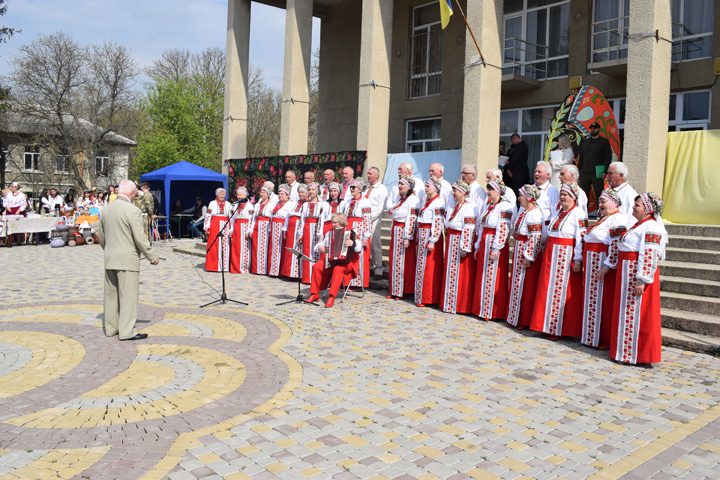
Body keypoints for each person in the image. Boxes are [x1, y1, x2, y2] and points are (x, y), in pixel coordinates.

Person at [607, 193, 667, 365]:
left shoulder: (651, 226)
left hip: (637, 274)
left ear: (648, 210)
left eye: (637, 205)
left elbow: (649, 254)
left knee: (638, 313)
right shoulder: (639, 225)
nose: (633, 207)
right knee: (627, 312)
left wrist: (642, 279)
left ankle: (638, 355)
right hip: (628, 272)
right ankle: (624, 351)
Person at [98, 179, 159, 341]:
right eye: (135, 194)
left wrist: (110, 250)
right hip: (128, 260)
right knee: (128, 297)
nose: (135, 196)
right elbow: (139, 237)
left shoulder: (106, 210)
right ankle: (127, 331)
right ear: (132, 193)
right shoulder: (133, 210)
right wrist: (151, 256)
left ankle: (111, 328)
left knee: (110, 296)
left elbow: (101, 237)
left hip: (110, 258)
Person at [530, 181, 588, 339]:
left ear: (573, 197)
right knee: (547, 288)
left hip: (565, 255)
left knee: (561, 290)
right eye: (561, 194)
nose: (562, 197)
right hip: (551, 253)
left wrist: (577, 259)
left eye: (565, 195)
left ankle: (560, 328)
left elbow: (580, 238)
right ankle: (545, 325)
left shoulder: (579, 213)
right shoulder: (557, 212)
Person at [581, 189, 628, 350]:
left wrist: (607, 266)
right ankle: (591, 336)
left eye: (603, 202)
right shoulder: (604, 218)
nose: (600, 205)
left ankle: (603, 338)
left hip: (601, 262)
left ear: (613, 203)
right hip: (593, 261)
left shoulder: (617, 218)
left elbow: (615, 245)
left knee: (603, 301)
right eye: (599, 202)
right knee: (593, 299)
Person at [472, 180, 513, 321]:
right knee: (483, 275)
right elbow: (482, 226)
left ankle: (492, 311)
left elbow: (504, 227)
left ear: (499, 191)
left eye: (491, 190)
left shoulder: (505, 206)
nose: (488, 192)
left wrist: (497, 246)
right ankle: (481, 308)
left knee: (493, 275)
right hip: (485, 241)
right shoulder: (489, 206)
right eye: (488, 189)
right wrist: (478, 245)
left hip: (495, 243)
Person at [506, 185, 544, 330]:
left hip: (527, 253)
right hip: (520, 249)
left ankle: (524, 319)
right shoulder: (525, 211)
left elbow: (534, 237)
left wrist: (528, 257)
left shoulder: (534, 214)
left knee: (526, 286)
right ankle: (515, 316)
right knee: (518, 283)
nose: (519, 198)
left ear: (528, 197)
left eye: (521, 195)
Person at [305, 213, 362, 308]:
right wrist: (320, 247)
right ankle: (314, 293)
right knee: (316, 266)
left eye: (335, 222)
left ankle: (331, 296)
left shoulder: (352, 232)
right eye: (333, 222)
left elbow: (359, 248)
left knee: (338, 269)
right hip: (332, 261)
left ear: (341, 222)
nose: (333, 224)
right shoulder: (330, 233)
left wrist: (353, 243)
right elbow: (319, 245)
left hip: (348, 262)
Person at [440, 181, 478, 314]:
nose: (453, 193)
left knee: (460, 274)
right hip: (452, 240)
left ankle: (458, 304)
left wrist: (465, 247)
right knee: (451, 271)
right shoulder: (458, 206)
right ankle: (449, 302)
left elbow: (469, 228)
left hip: (459, 241)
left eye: (455, 190)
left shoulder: (469, 207)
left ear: (462, 192)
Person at [414, 177, 445, 308]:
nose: (426, 188)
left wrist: (433, 239)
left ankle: (428, 297)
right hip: (423, 233)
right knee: (422, 265)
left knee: (429, 267)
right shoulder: (427, 201)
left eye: (428, 186)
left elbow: (438, 222)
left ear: (435, 188)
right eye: (426, 186)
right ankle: (420, 295)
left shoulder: (438, 202)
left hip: (430, 235)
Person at [343, 178, 372, 288]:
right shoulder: (348, 202)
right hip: (348, 228)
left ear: (360, 189)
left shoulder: (365, 202)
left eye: (353, 187)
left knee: (358, 254)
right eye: (350, 187)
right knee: (348, 255)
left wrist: (366, 236)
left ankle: (358, 283)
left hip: (359, 229)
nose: (351, 189)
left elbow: (367, 220)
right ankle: (347, 281)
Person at [578, 122, 612, 205]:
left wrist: (605, 171)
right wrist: (578, 170)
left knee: (599, 195)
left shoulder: (604, 142)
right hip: (585, 173)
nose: (593, 130)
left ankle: (599, 211)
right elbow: (581, 157)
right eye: (591, 128)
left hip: (598, 173)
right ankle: (583, 212)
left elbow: (608, 158)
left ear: (599, 129)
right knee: (583, 195)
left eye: (595, 128)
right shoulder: (585, 142)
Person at [365, 167, 388, 280]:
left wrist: (370, 218)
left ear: (377, 175)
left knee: (375, 244)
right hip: (364, 219)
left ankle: (378, 269)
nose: (368, 175)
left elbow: (380, 207)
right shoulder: (366, 188)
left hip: (374, 220)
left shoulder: (382, 188)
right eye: (367, 173)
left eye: (370, 174)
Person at [281, 184, 307, 278]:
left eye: (302, 192)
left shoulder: (307, 204)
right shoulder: (294, 203)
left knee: (298, 248)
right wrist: (285, 229)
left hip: (299, 228)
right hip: (291, 228)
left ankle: (296, 273)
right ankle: (288, 272)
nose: (301, 194)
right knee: (290, 249)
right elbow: (287, 216)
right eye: (299, 192)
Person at [299, 183, 323, 284]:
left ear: (317, 191)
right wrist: (300, 233)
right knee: (306, 252)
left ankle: (315, 277)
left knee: (315, 252)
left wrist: (320, 234)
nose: (311, 192)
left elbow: (321, 219)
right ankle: (306, 277)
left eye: (313, 190)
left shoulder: (321, 204)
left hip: (316, 229)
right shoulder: (305, 205)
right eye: (309, 190)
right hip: (307, 229)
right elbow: (302, 220)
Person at [249, 185, 275, 275]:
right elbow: (254, 218)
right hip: (257, 226)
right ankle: (256, 268)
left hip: (266, 226)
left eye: (264, 193)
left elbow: (272, 217)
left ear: (268, 194)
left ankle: (263, 269)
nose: (262, 194)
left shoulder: (271, 205)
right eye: (261, 192)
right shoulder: (257, 205)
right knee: (256, 247)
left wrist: (270, 229)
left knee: (264, 247)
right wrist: (251, 229)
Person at [269, 185, 294, 277]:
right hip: (274, 226)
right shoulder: (276, 203)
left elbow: (287, 216)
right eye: (279, 194)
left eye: (282, 194)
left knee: (281, 247)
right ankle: (273, 270)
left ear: (287, 195)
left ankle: (280, 271)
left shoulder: (290, 204)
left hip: (281, 225)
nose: (280, 196)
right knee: (273, 248)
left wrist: (285, 229)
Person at [204, 188, 231, 272]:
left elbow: (231, 216)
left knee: (225, 245)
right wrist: (207, 227)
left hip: (225, 226)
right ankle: (213, 266)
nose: (222, 196)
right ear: (217, 195)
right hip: (215, 225)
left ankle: (224, 266)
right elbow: (208, 215)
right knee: (214, 244)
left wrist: (231, 228)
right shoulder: (212, 203)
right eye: (220, 194)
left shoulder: (228, 204)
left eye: (223, 194)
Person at [229, 187, 254, 275]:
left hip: (245, 226)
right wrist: (231, 229)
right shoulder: (235, 205)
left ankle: (244, 267)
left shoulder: (249, 205)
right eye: (238, 194)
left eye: (241, 194)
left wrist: (249, 230)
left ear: (245, 195)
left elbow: (251, 219)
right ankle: (235, 266)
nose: (239, 196)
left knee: (244, 247)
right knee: (236, 247)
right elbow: (232, 218)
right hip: (237, 226)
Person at [533, 161, 559, 235]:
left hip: (544, 229)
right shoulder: (529, 189)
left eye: (539, 172)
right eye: (535, 171)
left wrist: (550, 233)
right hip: (528, 229)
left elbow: (555, 212)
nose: (536, 174)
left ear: (548, 175)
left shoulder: (552, 190)